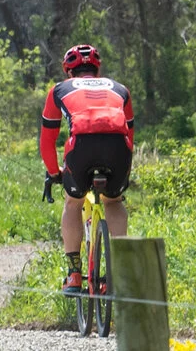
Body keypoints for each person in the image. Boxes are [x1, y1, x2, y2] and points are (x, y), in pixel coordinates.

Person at [40, 44, 135, 292]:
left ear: (68, 71)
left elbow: (47, 141)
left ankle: (73, 274)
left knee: (73, 202)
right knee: (113, 202)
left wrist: (54, 173)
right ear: (97, 69)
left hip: (81, 147)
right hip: (118, 148)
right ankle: (121, 272)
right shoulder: (121, 89)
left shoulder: (59, 90)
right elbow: (130, 136)